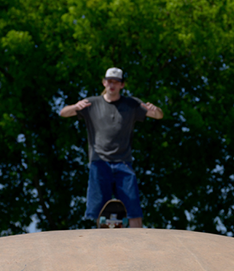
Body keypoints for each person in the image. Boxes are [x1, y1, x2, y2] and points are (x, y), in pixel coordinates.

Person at [60, 68, 164, 228]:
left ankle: (139, 244)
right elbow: (63, 113)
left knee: (134, 210)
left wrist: (155, 110)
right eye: (109, 81)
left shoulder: (132, 104)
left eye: (116, 82)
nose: (112, 84)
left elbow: (159, 116)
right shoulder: (91, 103)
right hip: (99, 162)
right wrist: (75, 106)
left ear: (122, 85)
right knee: (100, 211)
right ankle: (102, 246)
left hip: (124, 163)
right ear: (104, 82)